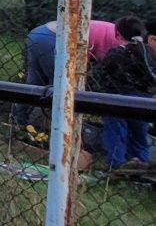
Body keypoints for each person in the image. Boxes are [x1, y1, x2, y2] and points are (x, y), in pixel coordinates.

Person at [14, 12, 124, 135]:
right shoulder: (121, 43)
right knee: (61, 89)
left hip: (39, 33)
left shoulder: (117, 32)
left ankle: (19, 121)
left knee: (34, 82)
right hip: (54, 38)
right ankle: (57, 131)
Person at [91, 16, 156, 170]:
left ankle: (116, 165)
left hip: (116, 101)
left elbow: (102, 74)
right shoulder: (148, 54)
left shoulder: (115, 53)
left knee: (116, 133)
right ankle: (141, 167)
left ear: (118, 34)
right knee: (140, 137)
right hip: (143, 103)